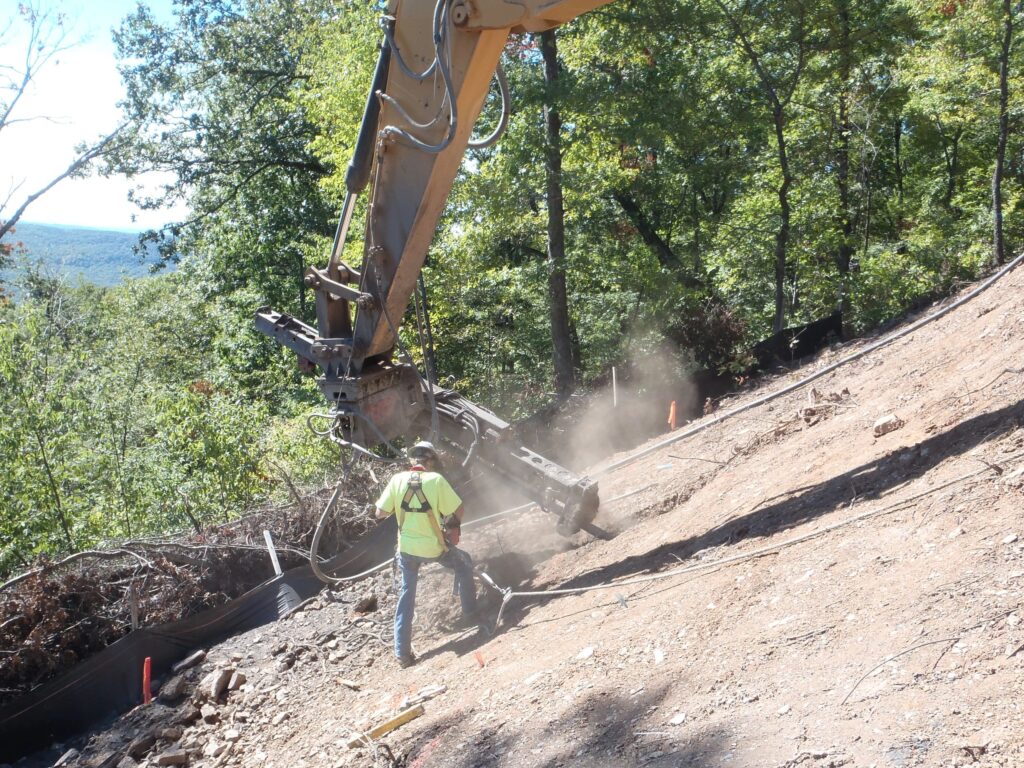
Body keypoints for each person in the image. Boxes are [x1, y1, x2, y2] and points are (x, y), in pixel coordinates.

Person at [375, 441, 478, 668]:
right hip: (434, 548)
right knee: (464, 563)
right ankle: (471, 613)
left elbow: (379, 513)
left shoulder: (396, 480)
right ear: (430, 461)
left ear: (412, 461)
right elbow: (459, 510)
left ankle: (402, 653)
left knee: (406, 594)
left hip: (407, 551)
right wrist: (452, 527)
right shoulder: (437, 480)